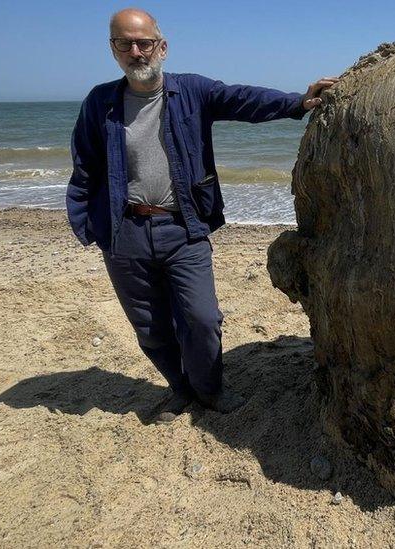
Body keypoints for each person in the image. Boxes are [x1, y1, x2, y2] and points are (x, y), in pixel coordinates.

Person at [65, 8, 337, 422]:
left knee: (202, 318)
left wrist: (298, 102)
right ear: (113, 49)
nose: (136, 52)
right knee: (150, 327)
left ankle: (210, 390)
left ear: (162, 46)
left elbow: (243, 99)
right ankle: (180, 390)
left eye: (144, 43)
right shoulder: (100, 103)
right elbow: (84, 167)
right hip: (125, 232)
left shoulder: (191, 91)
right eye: (125, 44)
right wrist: (89, 227)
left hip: (183, 227)